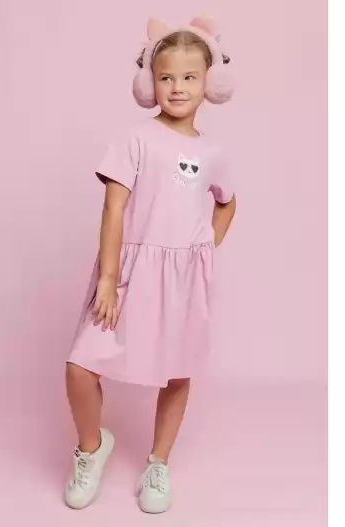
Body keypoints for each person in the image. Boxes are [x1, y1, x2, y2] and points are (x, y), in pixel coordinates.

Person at [64, 14, 237, 514]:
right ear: (150, 82)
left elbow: (227, 203)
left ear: (208, 83)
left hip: (184, 279)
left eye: (189, 77)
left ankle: (158, 462)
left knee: (178, 371)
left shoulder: (213, 152)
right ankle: (92, 447)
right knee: (80, 366)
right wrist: (109, 278)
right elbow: (113, 208)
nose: (177, 87)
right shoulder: (135, 139)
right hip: (128, 273)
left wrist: (204, 249)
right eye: (166, 77)